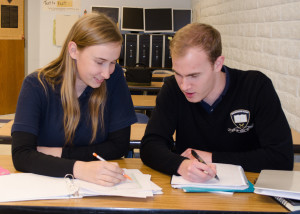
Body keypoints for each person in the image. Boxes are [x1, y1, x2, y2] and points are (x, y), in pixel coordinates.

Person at [140, 23, 294, 183]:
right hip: (191, 192)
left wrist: (213, 158)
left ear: (218, 64)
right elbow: (150, 145)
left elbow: (281, 159)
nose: (184, 86)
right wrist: (181, 166)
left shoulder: (255, 87)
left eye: (194, 75)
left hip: (248, 195)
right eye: (178, 74)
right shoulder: (173, 89)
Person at [11, 13, 137, 186]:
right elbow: (21, 156)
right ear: (73, 50)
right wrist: (79, 169)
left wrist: (57, 154)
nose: (107, 73)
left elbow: (119, 146)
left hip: (94, 187)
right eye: (100, 62)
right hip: (46, 185)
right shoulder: (36, 85)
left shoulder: (114, 78)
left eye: (113, 62)